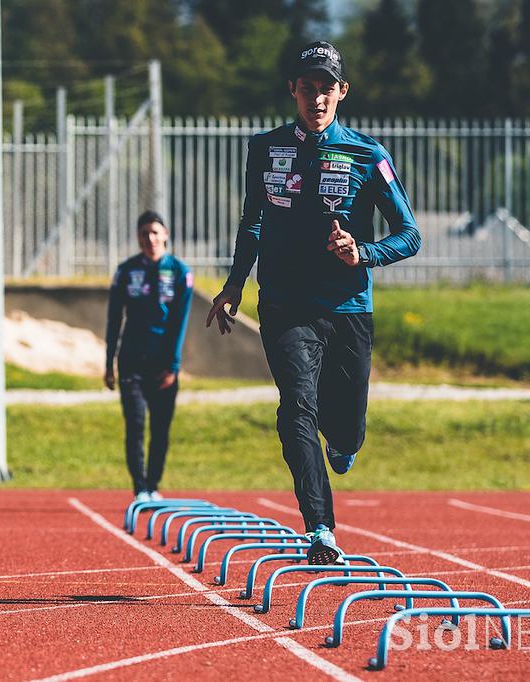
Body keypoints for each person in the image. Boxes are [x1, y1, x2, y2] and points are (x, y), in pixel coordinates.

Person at [206, 41, 421, 565]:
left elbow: (410, 235)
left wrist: (362, 253)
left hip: (347, 309)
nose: (317, 98)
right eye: (308, 88)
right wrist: (236, 282)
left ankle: (342, 442)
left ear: (342, 93)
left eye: (327, 88)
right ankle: (320, 527)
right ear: (293, 91)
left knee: (345, 428)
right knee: (296, 407)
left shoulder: (369, 155)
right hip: (282, 304)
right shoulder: (266, 149)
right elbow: (251, 220)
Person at [105, 210, 194, 503]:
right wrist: (109, 363)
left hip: (163, 365)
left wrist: (173, 366)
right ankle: (140, 488)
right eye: (144, 234)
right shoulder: (126, 271)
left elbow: (180, 323)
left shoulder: (180, 273)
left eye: (155, 232)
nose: (150, 239)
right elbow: (114, 319)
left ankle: (153, 484)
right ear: (137, 238)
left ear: (166, 235)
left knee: (160, 429)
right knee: (135, 424)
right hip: (131, 361)